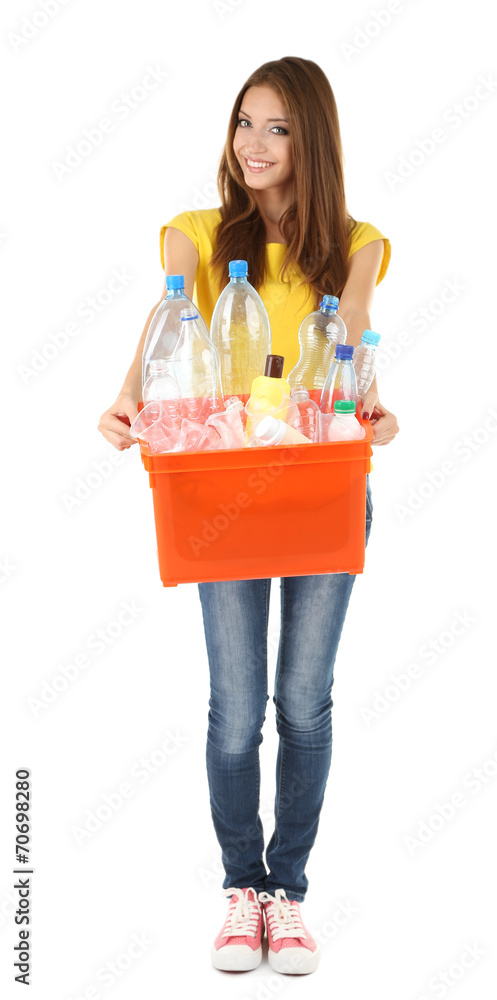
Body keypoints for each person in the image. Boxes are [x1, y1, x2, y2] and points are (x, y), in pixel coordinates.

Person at [98, 56, 399, 976]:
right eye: (243, 124)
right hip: (222, 497)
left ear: (312, 138)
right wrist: (122, 401)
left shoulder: (357, 240)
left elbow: (347, 339)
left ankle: (289, 896)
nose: (255, 145)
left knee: (302, 704)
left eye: (276, 127)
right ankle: (240, 889)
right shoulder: (193, 231)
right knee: (236, 711)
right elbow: (168, 319)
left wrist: (374, 409)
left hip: (319, 486)